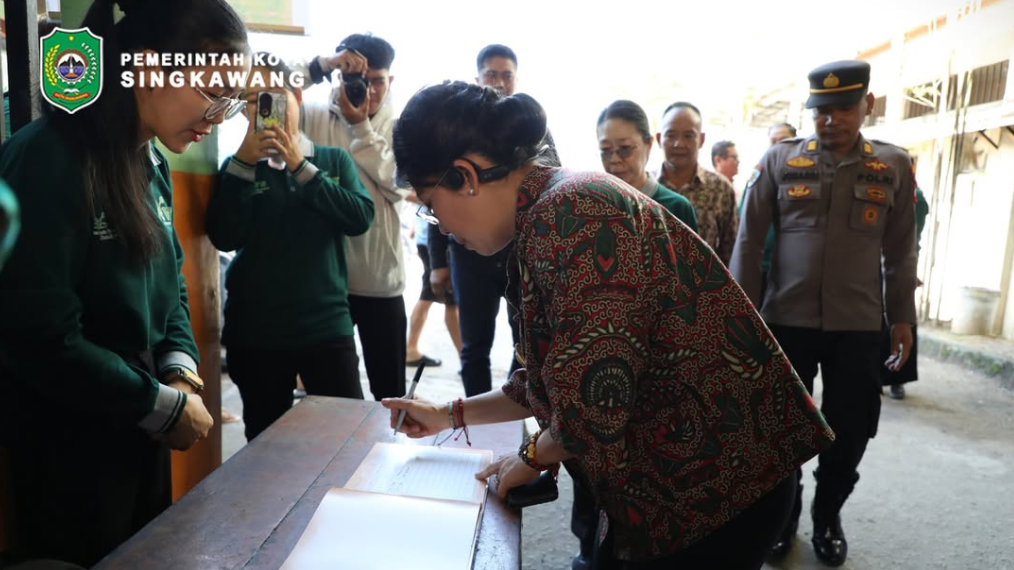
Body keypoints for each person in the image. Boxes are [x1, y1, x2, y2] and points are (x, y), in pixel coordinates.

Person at [385, 80, 833, 570]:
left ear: (464, 176)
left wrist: (531, 456)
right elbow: (548, 385)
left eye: (430, 205)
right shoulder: (547, 213)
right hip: (687, 481)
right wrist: (447, 414)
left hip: (717, 487)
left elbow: (596, 406)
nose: (441, 226)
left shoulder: (575, 213)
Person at [0, 0, 249, 565]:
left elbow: (172, 291)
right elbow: (37, 336)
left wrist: (179, 372)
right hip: (67, 436)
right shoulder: (48, 159)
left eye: (230, 101)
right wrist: (159, 403)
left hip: (139, 423)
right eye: (213, 92)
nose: (219, 115)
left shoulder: (147, 163)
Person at [730, 60, 917, 566]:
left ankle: (827, 514)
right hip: (784, 322)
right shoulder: (779, 160)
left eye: (842, 109)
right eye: (820, 111)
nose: (830, 120)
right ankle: (782, 517)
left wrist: (903, 318)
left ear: (867, 106)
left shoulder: (894, 165)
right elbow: (748, 244)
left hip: (858, 326)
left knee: (852, 430)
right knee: (779, 430)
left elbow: (901, 251)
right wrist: (740, 316)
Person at [207, 55, 375, 442]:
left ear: (297, 96)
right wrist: (244, 165)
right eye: (253, 101)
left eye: (275, 97)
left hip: (326, 327)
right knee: (265, 445)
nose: (265, 109)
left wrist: (301, 166)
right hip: (257, 334)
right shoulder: (236, 170)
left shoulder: (332, 160)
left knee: (346, 437)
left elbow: (359, 218)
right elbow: (225, 236)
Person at [427, 43, 560, 397]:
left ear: (517, 80)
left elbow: (550, 181)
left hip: (518, 253)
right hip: (468, 257)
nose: (499, 82)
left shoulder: (535, 131)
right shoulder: (457, 130)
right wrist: (437, 263)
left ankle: (524, 410)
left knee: (527, 343)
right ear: (477, 78)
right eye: (491, 74)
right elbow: (437, 194)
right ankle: (475, 422)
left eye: (506, 75)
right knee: (474, 347)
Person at [295, 33, 409, 400]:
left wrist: (360, 127)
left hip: (381, 280)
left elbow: (399, 185)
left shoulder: (403, 127)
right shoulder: (311, 114)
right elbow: (267, 86)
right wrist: (321, 66)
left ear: (390, 81)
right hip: (327, 284)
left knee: (389, 392)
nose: (369, 90)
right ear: (339, 76)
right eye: (357, 78)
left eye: (377, 80)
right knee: (334, 400)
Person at [656, 102, 738, 265]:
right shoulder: (644, 187)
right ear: (659, 139)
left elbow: (730, 249)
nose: (679, 144)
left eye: (688, 135)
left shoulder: (720, 188)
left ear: (701, 139)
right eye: (671, 135)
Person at [597, 100, 698, 231]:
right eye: (605, 149)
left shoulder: (676, 208)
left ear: (649, 145)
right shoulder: (594, 206)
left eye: (625, 148)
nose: (614, 159)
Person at [739, 122, 799, 301]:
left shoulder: (806, 183)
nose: (778, 146)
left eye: (784, 140)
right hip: (761, 268)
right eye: (773, 141)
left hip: (793, 272)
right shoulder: (757, 180)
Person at [881, 179, 929, 399]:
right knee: (878, 323)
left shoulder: (915, 198)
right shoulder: (881, 191)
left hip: (901, 264)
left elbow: (909, 238)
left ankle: (897, 379)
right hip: (873, 264)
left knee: (901, 319)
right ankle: (880, 376)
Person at [405, 212, 462, 366]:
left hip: (428, 241)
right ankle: (465, 356)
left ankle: (411, 347)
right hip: (435, 244)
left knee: (428, 296)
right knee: (449, 300)